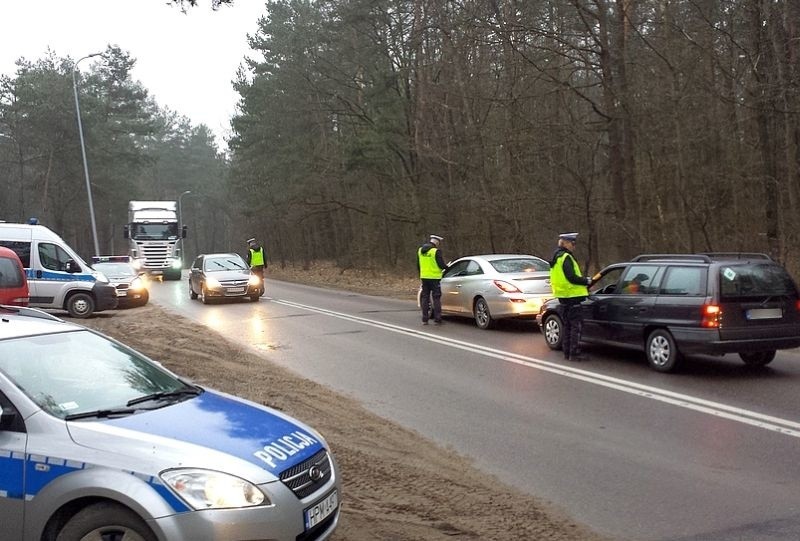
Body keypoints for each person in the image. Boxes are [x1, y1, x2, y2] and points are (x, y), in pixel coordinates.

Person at [549, 232, 596, 361]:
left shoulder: (556, 257)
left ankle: (567, 352)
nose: (574, 246)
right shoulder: (566, 257)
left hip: (563, 296)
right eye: (573, 243)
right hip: (572, 296)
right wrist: (586, 281)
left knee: (567, 325)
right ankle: (574, 353)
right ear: (566, 243)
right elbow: (571, 277)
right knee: (575, 326)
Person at [417, 234, 447, 325]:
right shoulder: (436, 251)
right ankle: (437, 319)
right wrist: (447, 267)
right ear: (436, 242)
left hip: (424, 277)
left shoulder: (420, 251)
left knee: (425, 298)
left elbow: (418, 265)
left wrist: (421, 274)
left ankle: (424, 319)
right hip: (435, 278)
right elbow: (441, 265)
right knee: (436, 298)